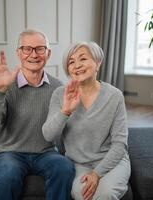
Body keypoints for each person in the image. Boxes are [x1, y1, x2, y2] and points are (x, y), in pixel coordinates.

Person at [0, 29, 75, 200]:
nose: (33, 54)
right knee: (7, 176)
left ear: (48, 53)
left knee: (64, 167)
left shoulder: (58, 87)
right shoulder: (7, 85)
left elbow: (65, 127)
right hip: (10, 152)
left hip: (46, 152)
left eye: (39, 49)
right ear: (19, 53)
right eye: (27, 49)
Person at [42, 41, 131, 200]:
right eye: (71, 62)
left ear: (97, 63)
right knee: (82, 194)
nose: (77, 65)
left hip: (112, 161)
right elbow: (48, 135)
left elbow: (120, 144)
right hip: (79, 164)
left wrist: (97, 174)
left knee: (106, 194)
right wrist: (66, 111)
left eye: (83, 59)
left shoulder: (115, 96)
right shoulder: (60, 94)